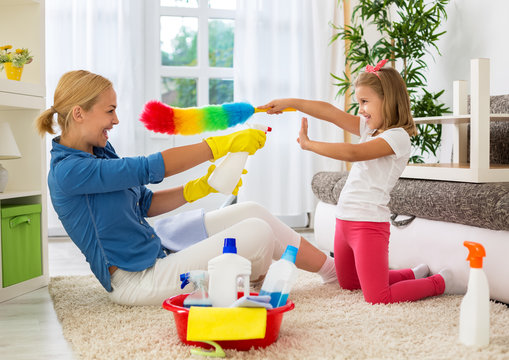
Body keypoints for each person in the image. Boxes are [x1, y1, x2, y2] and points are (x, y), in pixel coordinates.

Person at [36, 70, 336, 306]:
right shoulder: (69, 171)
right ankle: (248, 281)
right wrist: (218, 146)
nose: (115, 120)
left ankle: (333, 272)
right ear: (79, 113)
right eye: (109, 111)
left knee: (252, 211)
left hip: (157, 255)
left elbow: (144, 203)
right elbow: (146, 168)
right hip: (136, 281)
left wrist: (199, 188)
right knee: (258, 233)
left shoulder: (98, 151)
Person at [259, 59, 452, 304]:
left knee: (378, 297)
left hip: (368, 224)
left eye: (364, 102)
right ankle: (412, 273)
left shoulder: (398, 138)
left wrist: (309, 145)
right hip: (344, 220)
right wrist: (290, 103)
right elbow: (330, 112)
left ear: (388, 100)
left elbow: (353, 153)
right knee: (348, 283)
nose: (360, 109)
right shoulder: (369, 129)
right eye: (359, 102)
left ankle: (438, 283)